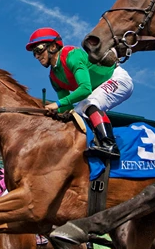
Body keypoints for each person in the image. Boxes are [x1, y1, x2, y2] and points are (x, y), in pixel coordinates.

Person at [26, 27, 134, 159]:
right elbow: (67, 108)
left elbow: (85, 89)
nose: (37, 56)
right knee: (75, 116)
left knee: (89, 104)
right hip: (96, 90)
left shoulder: (72, 55)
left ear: (53, 46)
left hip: (116, 79)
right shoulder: (53, 77)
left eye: (38, 50)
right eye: (34, 53)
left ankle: (109, 145)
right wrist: (57, 114)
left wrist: (56, 104)